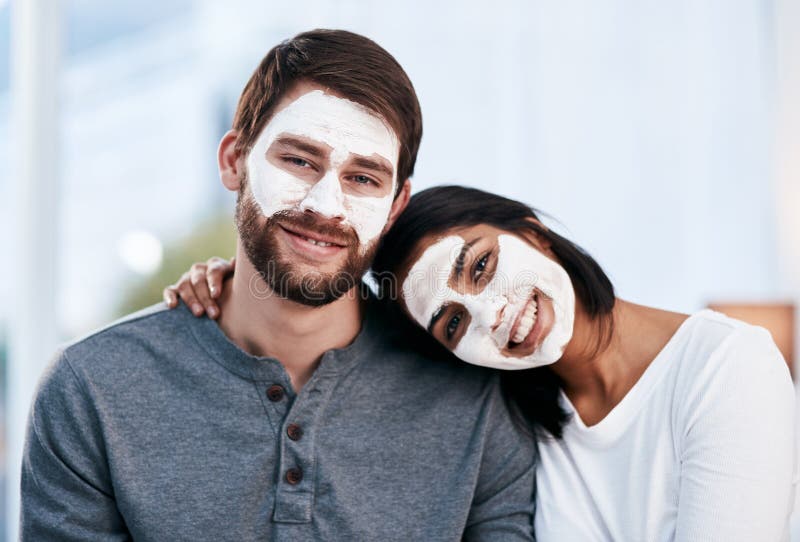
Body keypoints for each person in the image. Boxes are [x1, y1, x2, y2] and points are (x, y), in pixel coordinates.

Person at [21, 31, 537, 541]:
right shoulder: (92, 389)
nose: (325, 207)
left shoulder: (475, 394)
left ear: (396, 206)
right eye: (298, 160)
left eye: (363, 179)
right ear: (233, 161)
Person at [176, 185, 798, 541]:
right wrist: (236, 288)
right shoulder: (517, 416)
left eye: (478, 265)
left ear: (534, 233)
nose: (491, 315)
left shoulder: (727, 367)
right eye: (452, 323)